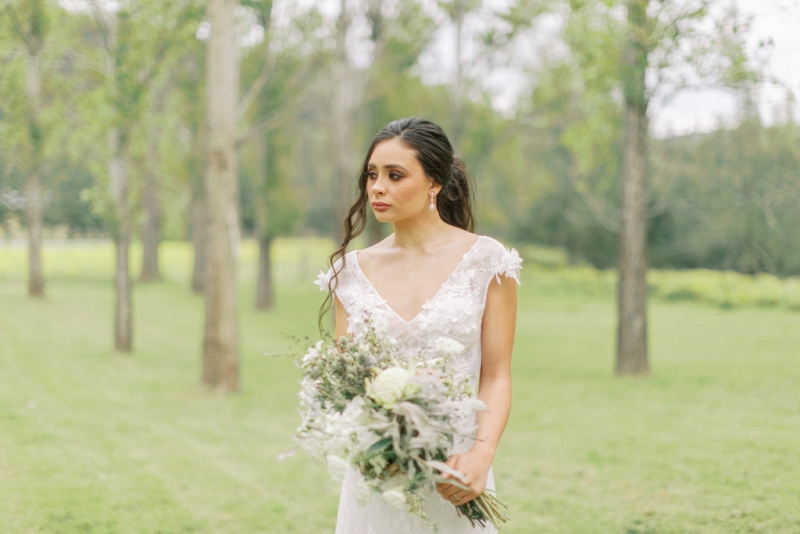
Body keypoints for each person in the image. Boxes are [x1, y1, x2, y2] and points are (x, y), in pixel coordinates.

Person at [317, 117, 521, 533]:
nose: (377, 187)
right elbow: (346, 382)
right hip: (380, 471)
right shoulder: (349, 273)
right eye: (372, 175)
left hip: (457, 467)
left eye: (395, 175)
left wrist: (481, 456)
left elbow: (497, 374)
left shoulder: (487, 262)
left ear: (435, 183)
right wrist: (376, 442)